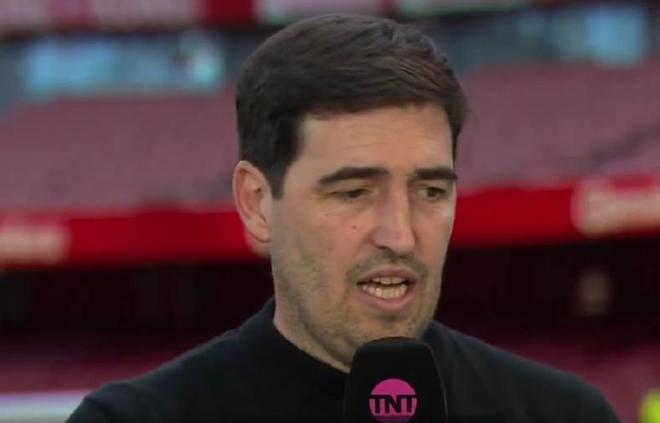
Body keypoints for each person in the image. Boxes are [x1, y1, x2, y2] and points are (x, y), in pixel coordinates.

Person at [67, 13, 620, 423]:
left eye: (430, 190)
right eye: (354, 193)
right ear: (257, 202)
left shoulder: (562, 414)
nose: (400, 235)